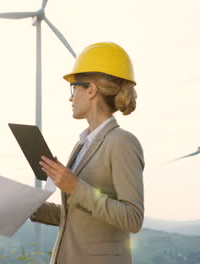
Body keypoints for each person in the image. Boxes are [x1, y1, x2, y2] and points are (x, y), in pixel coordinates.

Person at [32, 42, 145, 264]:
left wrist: (76, 187)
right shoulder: (82, 145)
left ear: (91, 90)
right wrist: (31, 207)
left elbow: (133, 218)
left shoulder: (122, 142)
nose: (71, 98)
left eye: (74, 88)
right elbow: (77, 213)